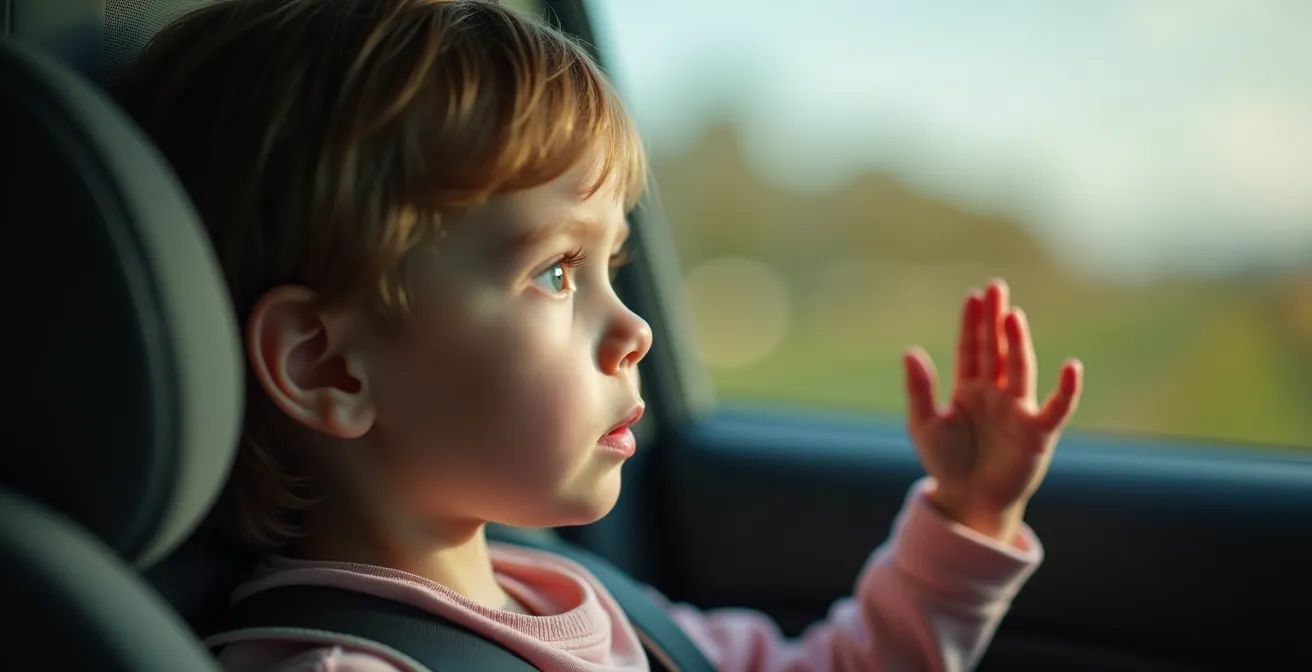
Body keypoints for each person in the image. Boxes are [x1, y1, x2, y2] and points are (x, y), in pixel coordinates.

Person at [117, 1, 1084, 670]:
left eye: (610, 267)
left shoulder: (588, 602)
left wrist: (967, 516)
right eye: (554, 271)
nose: (633, 330)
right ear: (326, 363)